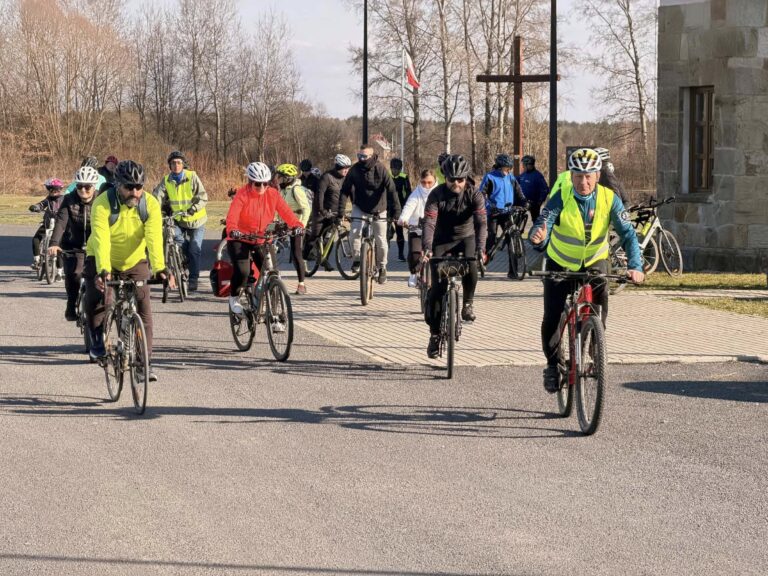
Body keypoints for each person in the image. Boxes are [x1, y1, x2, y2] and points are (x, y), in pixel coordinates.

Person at [529, 148, 644, 393]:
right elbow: (544, 222)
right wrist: (538, 236)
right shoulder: (561, 196)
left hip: (595, 261)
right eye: (578, 176)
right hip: (560, 262)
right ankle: (552, 365)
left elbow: (628, 234)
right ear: (571, 176)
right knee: (552, 316)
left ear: (598, 175)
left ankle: (594, 347)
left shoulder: (609, 198)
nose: (584, 181)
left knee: (600, 305)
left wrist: (635, 266)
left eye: (589, 175)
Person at [84, 160, 170, 381]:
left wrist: (160, 268)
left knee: (144, 309)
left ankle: (143, 365)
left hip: (134, 260)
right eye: (129, 187)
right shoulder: (102, 204)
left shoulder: (149, 204)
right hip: (103, 257)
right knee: (100, 298)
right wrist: (103, 270)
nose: (135, 192)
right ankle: (95, 337)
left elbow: (153, 238)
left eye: (139, 187)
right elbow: (101, 239)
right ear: (117, 184)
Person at [421, 155, 487, 358]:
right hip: (441, 239)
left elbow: (481, 224)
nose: (456, 183)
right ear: (445, 178)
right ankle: (434, 335)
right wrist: (427, 247)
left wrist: (481, 248)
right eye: (451, 179)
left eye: (460, 179)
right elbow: (430, 223)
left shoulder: (474, 194)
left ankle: (467, 303)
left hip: (465, 237)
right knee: (437, 291)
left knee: (472, 264)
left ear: (466, 178)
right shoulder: (436, 195)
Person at [225, 162, 304, 314]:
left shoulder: (273, 194)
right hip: (240, 238)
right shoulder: (242, 194)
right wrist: (233, 230)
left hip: (262, 239)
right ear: (250, 181)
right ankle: (234, 298)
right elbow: (232, 217)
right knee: (243, 272)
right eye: (257, 184)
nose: (261, 187)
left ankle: (274, 314)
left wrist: (297, 225)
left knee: (272, 273)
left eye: (265, 184)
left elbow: (286, 212)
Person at [336, 144, 401, 284]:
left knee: (381, 239)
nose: (361, 159)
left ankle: (382, 267)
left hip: (379, 208)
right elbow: (344, 191)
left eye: (364, 156)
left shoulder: (381, 169)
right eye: (359, 156)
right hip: (360, 206)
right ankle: (358, 259)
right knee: (354, 233)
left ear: (371, 156)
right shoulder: (355, 170)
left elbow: (392, 191)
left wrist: (396, 212)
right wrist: (340, 212)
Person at [48, 167, 99, 321]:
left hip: (95, 244)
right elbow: (61, 223)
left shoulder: (102, 200)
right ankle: (71, 303)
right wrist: (54, 243)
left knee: (99, 278)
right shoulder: (68, 200)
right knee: (75, 274)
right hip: (73, 244)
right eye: (79, 186)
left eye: (87, 186)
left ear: (94, 186)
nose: (83, 190)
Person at [152, 150, 208, 291]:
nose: (176, 165)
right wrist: (153, 212)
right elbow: (156, 198)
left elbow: (203, 197)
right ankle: (180, 264)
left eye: (179, 163)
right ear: (169, 166)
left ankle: (193, 279)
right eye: (173, 163)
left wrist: (193, 208)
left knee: (194, 249)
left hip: (196, 220)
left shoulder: (192, 176)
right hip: (178, 220)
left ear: (183, 165)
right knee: (175, 241)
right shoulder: (166, 180)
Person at [479, 153, 528, 276]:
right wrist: (490, 206)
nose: (508, 171)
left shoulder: (511, 178)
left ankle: (513, 271)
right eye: (506, 168)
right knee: (491, 238)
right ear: (500, 167)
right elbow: (481, 195)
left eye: (509, 168)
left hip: (507, 212)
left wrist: (525, 202)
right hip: (494, 213)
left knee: (511, 238)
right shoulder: (489, 177)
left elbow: (519, 192)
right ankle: (483, 261)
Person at [306, 154, 352, 267]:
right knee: (316, 234)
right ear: (337, 166)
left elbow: (352, 194)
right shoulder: (327, 177)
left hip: (336, 211)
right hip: (322, 210)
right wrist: (322, 211)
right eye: (344, 167)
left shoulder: (346, 179)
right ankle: (305, 254)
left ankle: (324, 259)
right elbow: (320, 195)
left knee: (330, 236)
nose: (346, 170)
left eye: (348, 167)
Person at [274, 163, 311, 295]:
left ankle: (301, 284)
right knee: (271, 249)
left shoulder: (296, 190)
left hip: (297, 226)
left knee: (296, 254)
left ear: (288, 178)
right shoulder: (283, 190)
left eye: (281, 177)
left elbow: (306, 209)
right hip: (285, 225)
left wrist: (302, 226)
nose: (278, 179)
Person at [397, 169, 437, 288]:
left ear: (435, 180)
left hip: (435, 230)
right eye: (424, 182)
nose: (426, 185)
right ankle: (414, 274)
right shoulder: (416, 193)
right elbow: (409, 206)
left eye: (429, 182)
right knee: (414, 255)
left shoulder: (440, 192)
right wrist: (403, 219)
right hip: (417, 229)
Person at [29, 178, 66, 277]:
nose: (54, 192)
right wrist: (36, 207)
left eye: (56, 190)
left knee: (59, 247)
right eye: (51, 190)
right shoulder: (48, 200)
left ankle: (59, 271)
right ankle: (36, 260)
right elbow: (41, 204)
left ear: (60, 190)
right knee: (36, 239)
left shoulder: (64, 200)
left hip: (59, 226)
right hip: (47, 224)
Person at [389, 157, 412, 261]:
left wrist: (405, 205)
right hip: (388, 207)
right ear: (390, 168)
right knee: (386, 230)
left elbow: (408, 192)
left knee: (400, 232)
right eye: (394, 168)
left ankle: (400, 254)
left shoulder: (404, 177)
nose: (395, 171)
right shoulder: (387, 177)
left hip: (400, 207)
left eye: (398, 169)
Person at [517, 155, 549, 222]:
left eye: (524, 165)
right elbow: (514, 181)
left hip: (534, 204)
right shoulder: (523, 175)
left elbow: (545, 189)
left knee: (535, 221)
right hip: (523, 202)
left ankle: (537, 231)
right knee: (517, 219)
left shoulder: (537, 176)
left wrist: (539, 201)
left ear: (529, 165)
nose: (523, 166)